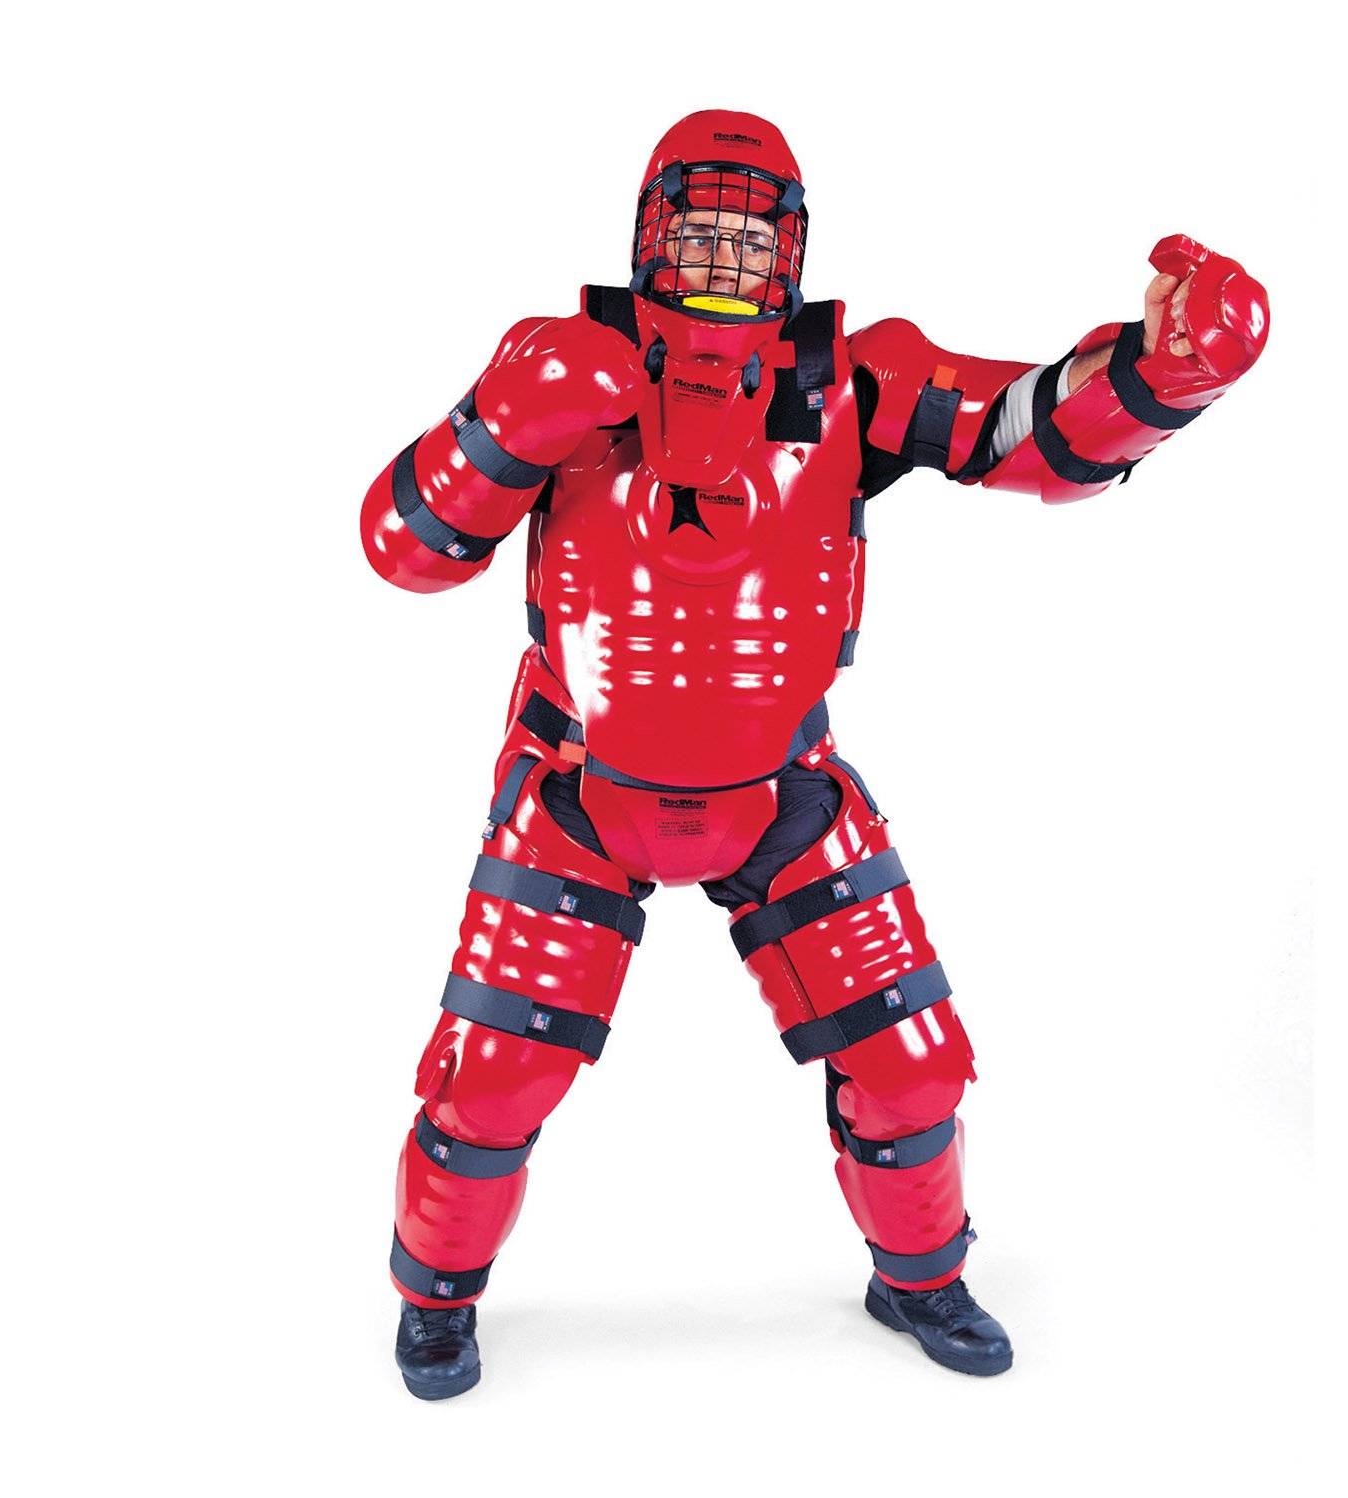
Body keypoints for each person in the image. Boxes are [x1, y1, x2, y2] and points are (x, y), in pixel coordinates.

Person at [361, 110, 1269, 1400]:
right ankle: (435, 1303)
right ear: (649, 237)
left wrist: (1162, 376)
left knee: (910, 1063)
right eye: (700, 232)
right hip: (580, 792)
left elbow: (1021, 431)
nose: (723, 261)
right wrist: (504, 423)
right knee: (493, 1080)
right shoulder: (557, 363)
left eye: (749, 237)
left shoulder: (853, 380)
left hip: (781, 791)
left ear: (790, 251)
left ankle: (923, 1281)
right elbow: (402, 548)